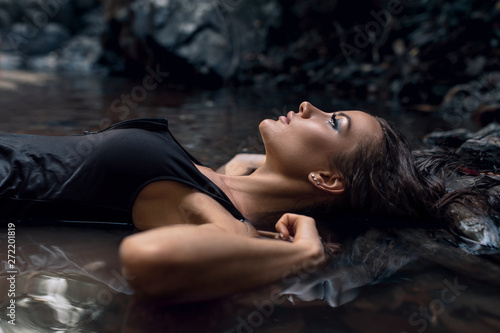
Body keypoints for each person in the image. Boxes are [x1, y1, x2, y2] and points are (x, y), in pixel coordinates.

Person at [0, 101, 486, 302]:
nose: (308, 107)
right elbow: (247, 168)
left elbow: (147, 259)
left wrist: (303, 253)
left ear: (326, 177)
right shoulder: (225, 179)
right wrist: (260, 176)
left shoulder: (216, 215)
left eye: (334, 121)